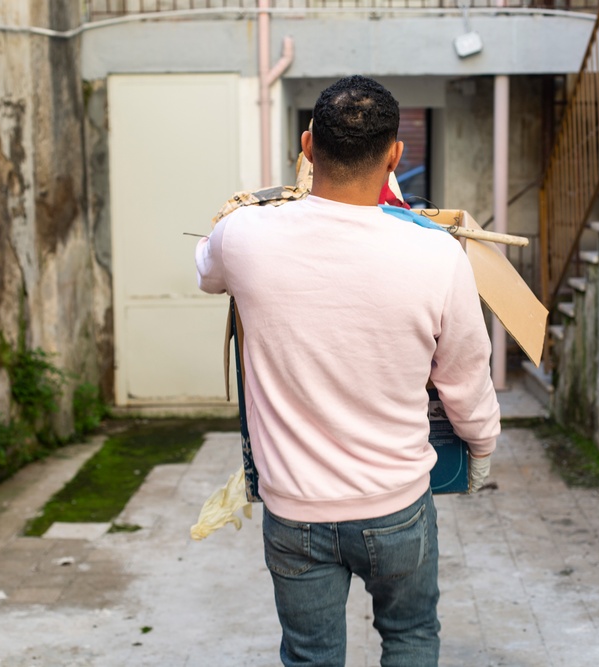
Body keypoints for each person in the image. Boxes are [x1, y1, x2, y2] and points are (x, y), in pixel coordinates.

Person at [195, 75, 500, 667]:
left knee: (310, 658)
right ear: (395, 155)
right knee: (410, 638)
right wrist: (481, 447)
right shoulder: (437, 253)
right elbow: (466, 376)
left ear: (307, 147)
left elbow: (204, 270)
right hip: (398, 506)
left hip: (295, 510)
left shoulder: (243, 237)